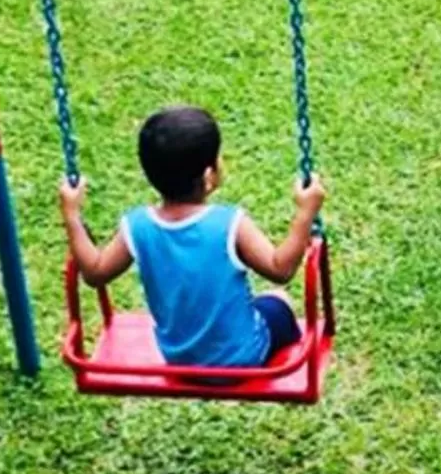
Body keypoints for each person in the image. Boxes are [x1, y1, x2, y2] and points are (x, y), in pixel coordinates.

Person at [60, 104, 325, 371]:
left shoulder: (137, 226)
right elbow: (280, 269)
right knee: (278, 300)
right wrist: (305, 213)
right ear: (209, 175)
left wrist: (71, 215)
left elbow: (94, 273)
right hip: (243, 358)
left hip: (180, 360)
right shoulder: (229, 224)